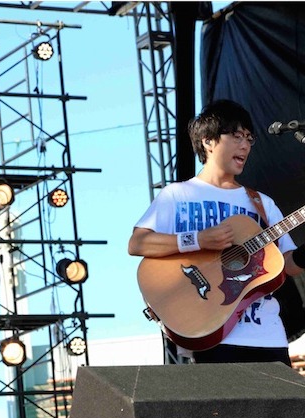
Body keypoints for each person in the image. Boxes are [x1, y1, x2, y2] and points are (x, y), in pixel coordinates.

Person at [128, 99, 305, 366]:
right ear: (208, 141)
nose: (245, 145)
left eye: (249, 138)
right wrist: (198, 240)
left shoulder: (262, 203)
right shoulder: (178, 195)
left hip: (268, 337)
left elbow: (287, 264)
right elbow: (138, 243)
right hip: (211, 330)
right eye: (236, 136)